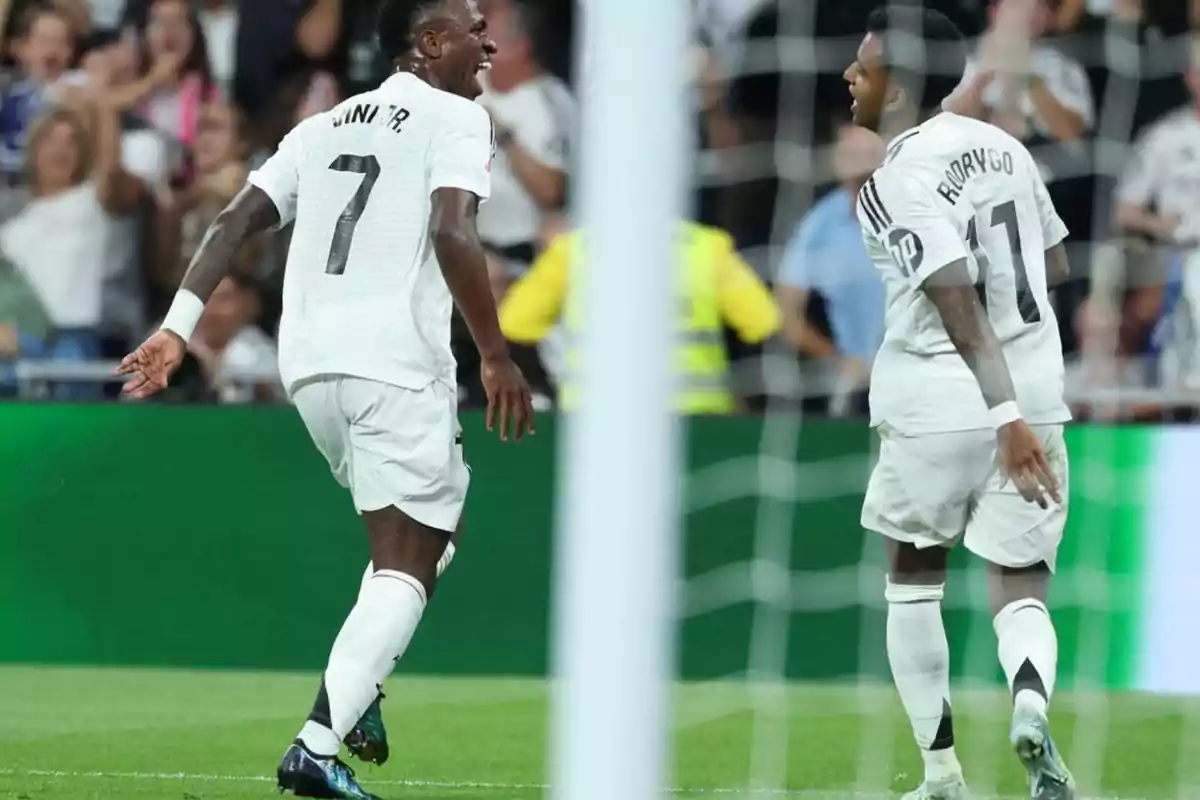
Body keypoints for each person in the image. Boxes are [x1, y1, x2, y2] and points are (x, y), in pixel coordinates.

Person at [115, 0, 534, 797]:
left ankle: (360, 692)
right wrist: (495, 354)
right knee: (409, 560)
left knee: (425, 538)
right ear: (430, 41)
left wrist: (177, 327)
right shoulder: (454, 117)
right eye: (473, 27)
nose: (487, 42)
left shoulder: (322, 125)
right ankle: (317, 742)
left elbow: (234, 219)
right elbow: (454, 231)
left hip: (309, 369)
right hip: (393, 361)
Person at [846, 7, 1074, 800]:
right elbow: (1057, 264)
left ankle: (942, 772)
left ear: (899, 87)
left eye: (863, 65)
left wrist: (1000, 413)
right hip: (1040, 393)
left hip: (942, 403)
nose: (849, 76)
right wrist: (1020, 406)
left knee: (912, 580)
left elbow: (955, 297)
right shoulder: (1005, 147)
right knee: (1022, 586)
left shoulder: (889, 182)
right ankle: (1032, 704)